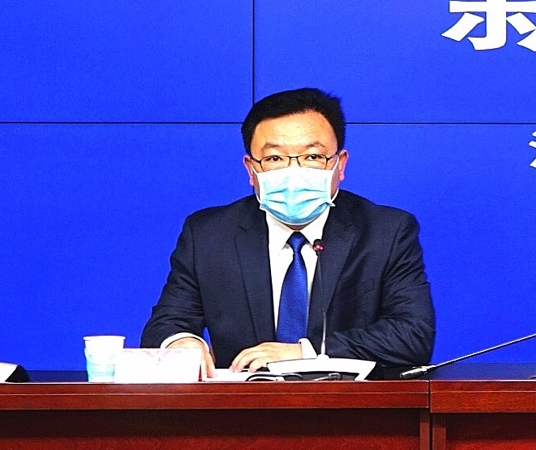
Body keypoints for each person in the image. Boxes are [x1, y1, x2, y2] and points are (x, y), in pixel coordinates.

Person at [142, 88, 435, 373]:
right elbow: (166, 324)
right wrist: (182, 342)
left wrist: (306, 353)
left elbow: (412, 335)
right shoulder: (209, 234)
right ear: (251, 170)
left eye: (313, 157)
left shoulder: (385, 231)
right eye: (274, 158)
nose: (294, 172)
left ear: (340, 164)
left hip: (349, 402)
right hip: (244, 402)